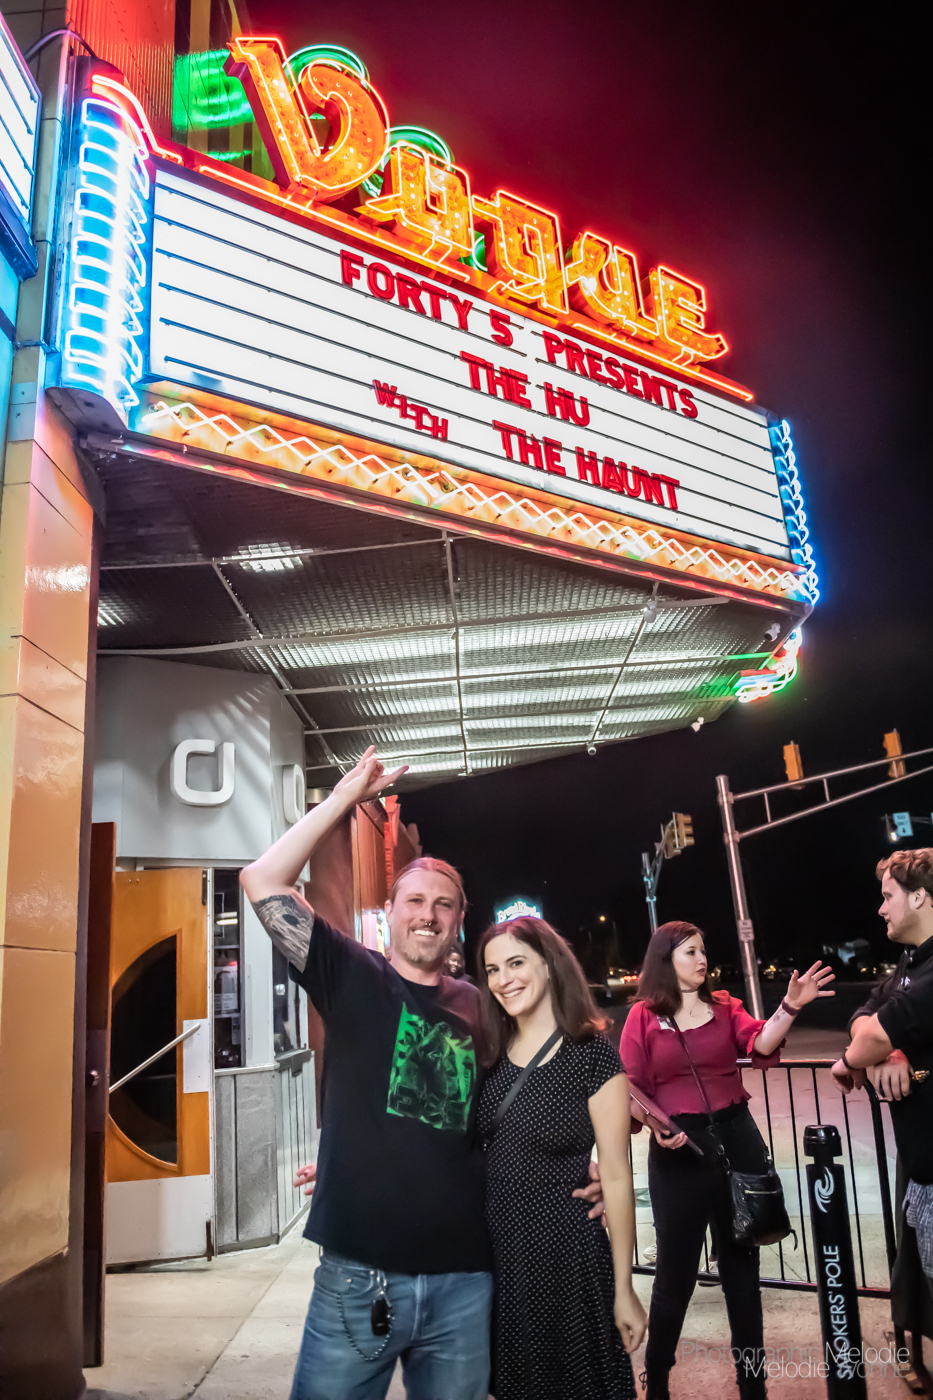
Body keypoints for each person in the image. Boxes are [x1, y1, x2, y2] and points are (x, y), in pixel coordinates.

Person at [240, 746, 603, 1400]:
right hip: (359, 1278)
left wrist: (580, 1166)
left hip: (465, 1280)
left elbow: (530, 1099)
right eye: (413, 900)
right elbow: (263, 880)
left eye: (443, 904)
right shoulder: (349, 974)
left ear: (459, 920)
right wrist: (342, 799)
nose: (427, 914)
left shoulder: (485, 1007)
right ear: (392, 911)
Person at [619, 921, 834, 1400]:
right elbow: (630, 1086)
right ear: (665, 959)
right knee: (675, 1275)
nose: (702, 960)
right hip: (680, 1150)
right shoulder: (642, 1017)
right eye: (690, 952)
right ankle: (657, 1380)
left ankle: (753, 1387)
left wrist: (791, 1006)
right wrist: (655, 1124)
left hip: (737, 1142)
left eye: (703, 951)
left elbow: (762, 1042)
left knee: (742, 1273)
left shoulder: (724, 1006)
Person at [476, 916, 646, 1400]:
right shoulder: (487, 1053)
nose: (503, 980)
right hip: (500, 1258)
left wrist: (624, 1289)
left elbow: (616, 1176)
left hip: (568, 1258)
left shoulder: (593, 1057)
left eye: (515, 963)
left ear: (549, 965)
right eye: (492, 970)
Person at [831, 850, 933, 1330]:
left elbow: (870, 1034)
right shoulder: (912, 962)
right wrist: (888, 1054)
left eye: (888, 896)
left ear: (920, 897)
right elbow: (863, 1017)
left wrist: (852, 1061)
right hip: (921, 1167)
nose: (881, 908)